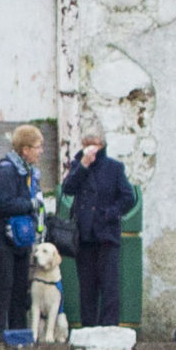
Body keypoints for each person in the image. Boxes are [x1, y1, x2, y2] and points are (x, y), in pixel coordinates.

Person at [61, 129, 136, 328]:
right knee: (87, 288)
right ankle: (88, 328)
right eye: (86, 144)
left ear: (101, 145)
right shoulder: (78, 165)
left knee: (109, 286)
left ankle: (109, 328)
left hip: (107, 236)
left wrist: (109, 214)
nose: (89, 148)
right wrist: (83, 165)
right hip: (84, 237)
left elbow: (128, 197)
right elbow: (67, 188)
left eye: (93, 144)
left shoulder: (114, 168)